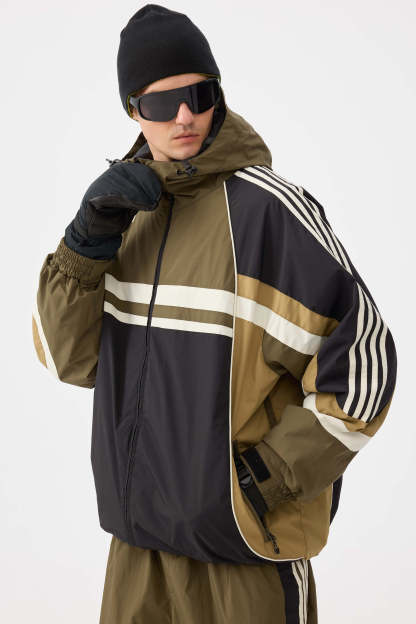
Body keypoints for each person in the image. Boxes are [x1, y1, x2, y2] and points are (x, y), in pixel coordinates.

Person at [31, 4, 397, 623]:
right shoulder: (119, 216)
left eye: (199, 95)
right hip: (137, 550)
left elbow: (367, 361)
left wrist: (267, 478)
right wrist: (83, 246)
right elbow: (68, 359)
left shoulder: (267, 212)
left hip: (242, 553)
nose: (184, 116)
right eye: (160, 102)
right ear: (131, 110)